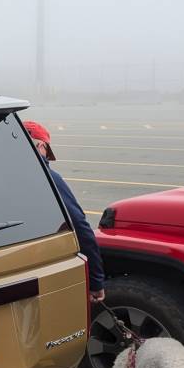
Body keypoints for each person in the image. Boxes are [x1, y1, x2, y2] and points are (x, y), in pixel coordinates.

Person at [23, 120, 105, 302]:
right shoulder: (48, 179)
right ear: (41, 146)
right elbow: (79, 226)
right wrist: (96, 281)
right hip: (40, 269)